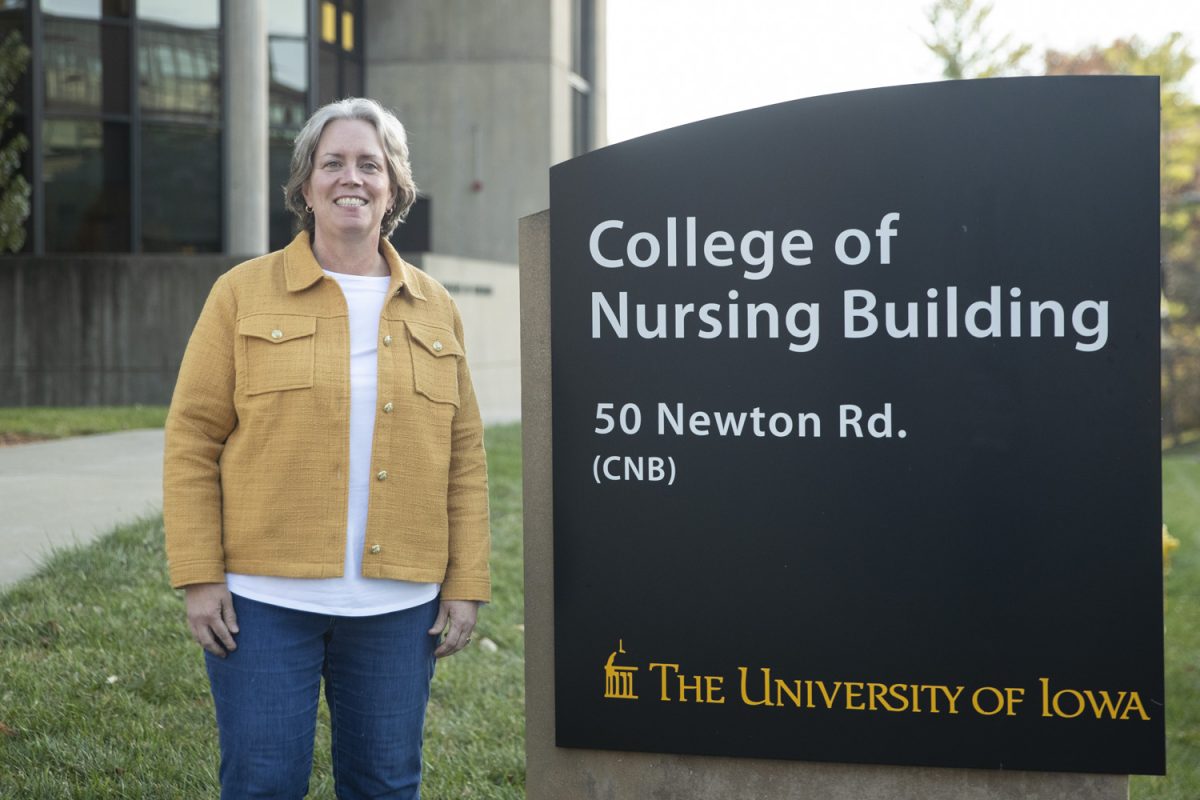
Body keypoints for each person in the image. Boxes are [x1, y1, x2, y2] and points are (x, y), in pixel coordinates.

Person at [163, 97, 490, 799]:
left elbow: (463, 456)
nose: (352, 178)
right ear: (305, 183)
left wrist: (465, 583)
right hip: (262, 602)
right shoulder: (241, 295)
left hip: (396, 612)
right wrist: (198, 574)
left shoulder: (436, 306)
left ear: (394, 186)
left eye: (369, 164)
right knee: (261, 784)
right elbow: (192, 438)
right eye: (333, 162)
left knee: (384, 785)